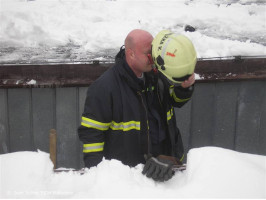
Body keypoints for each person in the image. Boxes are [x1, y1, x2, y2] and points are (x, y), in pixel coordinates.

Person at [78, 29, 196, 181]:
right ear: (131, 54)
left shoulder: (158, 75)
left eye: (154, 52)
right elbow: (92, 135)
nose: (153, 58)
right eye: (148, 54)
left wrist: (184, 88)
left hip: (165, 168)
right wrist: (96, 176)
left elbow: (176, 101)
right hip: (132, 178)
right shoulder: (105, 87)